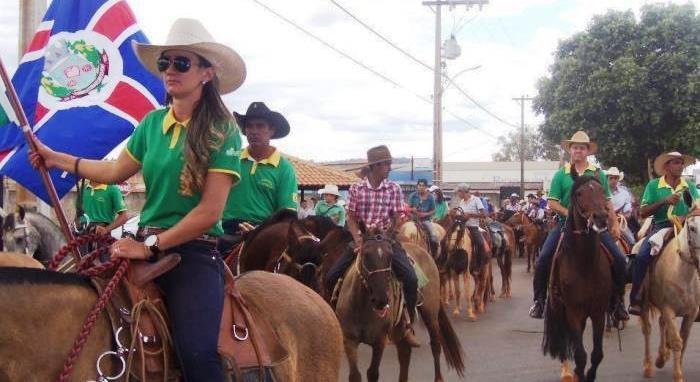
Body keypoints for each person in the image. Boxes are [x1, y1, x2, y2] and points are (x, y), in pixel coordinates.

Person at [29, 18, 244, 381]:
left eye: (181, 63)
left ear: (207, 73)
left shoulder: (224, 131)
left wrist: (150, 246)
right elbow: (114, 171)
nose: (170, 71)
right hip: (144, 239)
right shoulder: (151, 124)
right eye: (165, 63)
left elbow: (210, 212)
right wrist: (56, 157)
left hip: (192, 252)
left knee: (197, 354)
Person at [325, 145, 420, 347]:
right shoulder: (357, 188)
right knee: (331, 276)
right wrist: (358, 238)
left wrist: (388, 234)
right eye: (386, 164)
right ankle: (332, 322)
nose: (389, 167)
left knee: (412, 278)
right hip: (363, 240)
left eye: (389, 163)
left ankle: (406, 324)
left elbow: (397, 217)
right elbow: (351, 218)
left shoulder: (393, 188)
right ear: (376, 166)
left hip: (387, 240)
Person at [528, 131, 629, 322]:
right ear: (570, 151)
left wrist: (614, 223)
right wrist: (570, 214)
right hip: (565, 224)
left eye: (582, 148)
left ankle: (617, 302)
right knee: (543, 259)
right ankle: (539, 301)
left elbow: (607, 200)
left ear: (587, 151)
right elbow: (552, 203)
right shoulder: (561, 175)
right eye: (575, 147)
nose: (578, 151)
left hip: (597, 225)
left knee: (619, 259)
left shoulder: (598, 173)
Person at [217, 101, 299, 255]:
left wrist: (260, 231)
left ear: (272, 130)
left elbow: (287, 216)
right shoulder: (231, 158)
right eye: (249, 126)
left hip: (265, 233)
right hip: (225, 230)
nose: (254, 131)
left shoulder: (284, 168)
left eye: (260, 126)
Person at [628, 152, 699, 315]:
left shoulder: (689, 186)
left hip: (686, 227)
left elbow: (698, 209)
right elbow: (642, 212)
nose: (680, 166)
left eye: (682, 163)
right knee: (641, 256)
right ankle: (636, 298)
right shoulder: (653, 186)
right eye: (676, 163)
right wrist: (664, 201)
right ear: (667, 166)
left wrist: (685, 217)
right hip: (661, 226)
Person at [452, 183, 487, 259]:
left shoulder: (476, 200)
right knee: (449, 239)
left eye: (458, 192)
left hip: (472, 227)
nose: (457, 194)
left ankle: (479, 264)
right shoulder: (461, 202)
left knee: (480, 243)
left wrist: (470, 215)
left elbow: (483, 214)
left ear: (463, 192)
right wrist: (455, 214)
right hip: (461, 226)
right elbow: (460, 214)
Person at [408, 179, 439, 257]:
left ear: (426, 187)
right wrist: (413, 209)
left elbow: (434, 210)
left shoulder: (430, 197)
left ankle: (433, 256)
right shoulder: (413, 195)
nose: (421, 187)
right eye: (419, 185)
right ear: (417, 186)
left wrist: (426, 214)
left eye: (423, 185)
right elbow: (408, 208)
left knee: (433, 237)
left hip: (425, 220)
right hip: (413, 219)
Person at [607, 167, 635, 247]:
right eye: (611, 178)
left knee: (632, 240)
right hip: (605, 222)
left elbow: (628, 209)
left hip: (621, 221)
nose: (613, 180)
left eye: (615, 178)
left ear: (618, 179)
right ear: (607, 179)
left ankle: (632, 257)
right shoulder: (602, 193)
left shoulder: (624, 193)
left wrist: (626, 215)